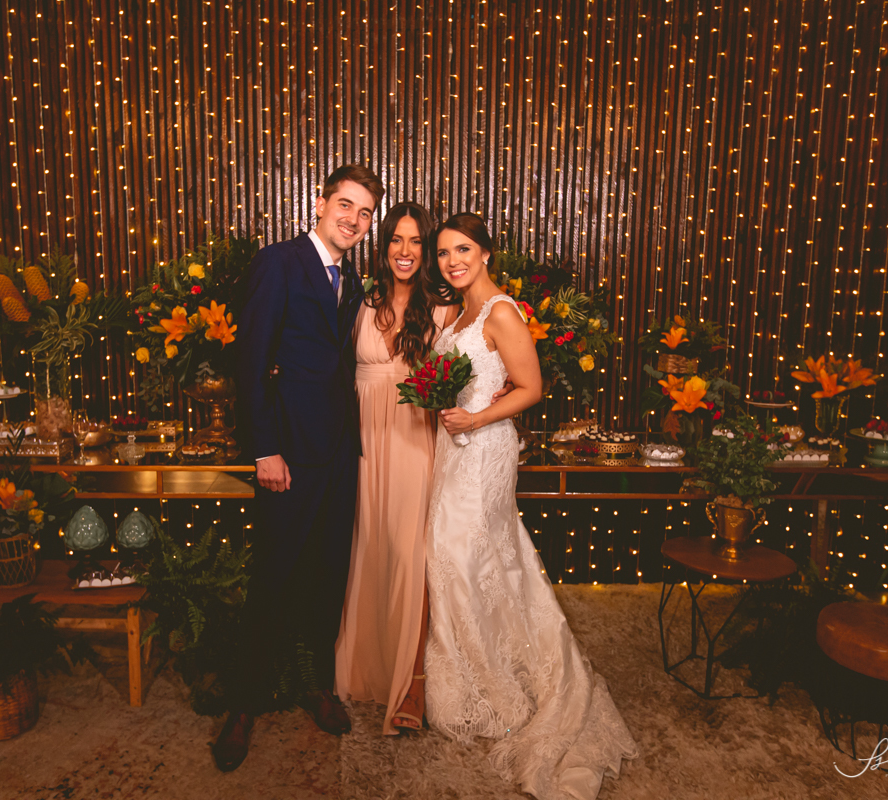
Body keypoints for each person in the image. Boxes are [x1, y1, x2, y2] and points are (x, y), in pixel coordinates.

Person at [424, 213, 638, 799]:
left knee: (461, 555)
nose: (452, 261)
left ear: (486, 253)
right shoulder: (458, 313)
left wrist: (475, 418)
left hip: (484, 449)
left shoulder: (501, 312)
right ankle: (473, 669)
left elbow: (532, 388)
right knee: (463, 557)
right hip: (452, 447)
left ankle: (493, 681)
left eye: (463, 249)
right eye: (443, 253)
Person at [214, 165, 384, 772]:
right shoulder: (279, 262)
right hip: (287, 453)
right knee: (275, 579)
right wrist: (265, 449)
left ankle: (316, 686)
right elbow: (251, 360)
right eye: (345, 205)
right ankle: (243, 705)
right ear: (319, 203)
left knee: (326, 576)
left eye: (365, 213)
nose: (354, 220)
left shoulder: (352, 277)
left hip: (339, 452)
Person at [334, 202, 457, 734]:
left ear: (427, 250)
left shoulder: (443, 309)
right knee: (366, 549)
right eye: (395, 240)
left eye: (416, 242)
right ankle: (362, 666)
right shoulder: (359, 301)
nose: (404, 251)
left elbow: (471, 371)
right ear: (382, 245)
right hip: (360, 439)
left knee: (410, 556)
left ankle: (413, 681)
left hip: (413, 439)